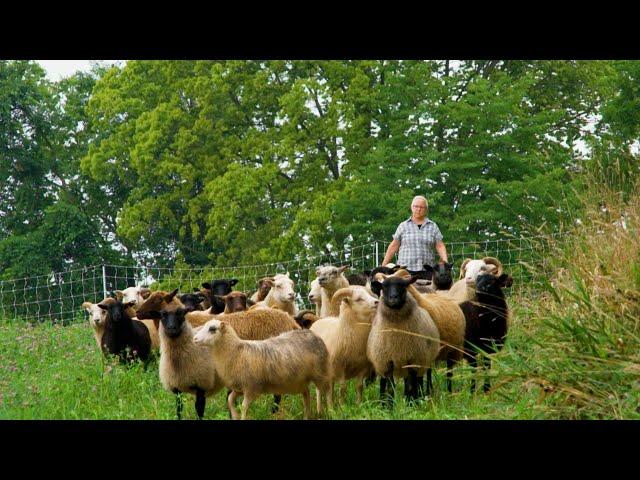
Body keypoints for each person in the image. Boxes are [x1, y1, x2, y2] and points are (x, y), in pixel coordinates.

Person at [381, 195, 448, 275]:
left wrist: (446, 263)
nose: (419, 209)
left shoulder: (433, 226)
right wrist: (383, 266)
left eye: (422, 207)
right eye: (416, 206)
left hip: (427, 270)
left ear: (426, 210)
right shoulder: (403, 226)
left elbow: (440, 245)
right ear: (411, 207)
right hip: (405, 270)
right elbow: (394, 246)